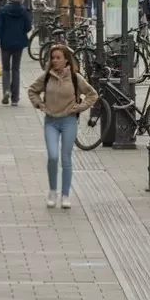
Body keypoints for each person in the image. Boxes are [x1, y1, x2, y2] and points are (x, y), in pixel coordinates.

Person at [27, 45, 97, 209]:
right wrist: (39, 104)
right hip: (51, 121)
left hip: (69, 121)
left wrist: (80, 107)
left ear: (66, 59)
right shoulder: (46, 76)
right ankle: (52, 191)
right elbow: (32, 90)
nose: (55, 61)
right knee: (52, 156)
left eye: (58, 58)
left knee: (66, 157)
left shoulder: (75, 77)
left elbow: (92, 94)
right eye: (53, 58)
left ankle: (65, 195)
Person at [0, 0, 32, 106]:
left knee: (5, 69)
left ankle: (6, 91)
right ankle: (15, 98)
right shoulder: (23, 11)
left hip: (6, 43)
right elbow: (28, 27)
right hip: (19, 43)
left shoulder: (3, 10)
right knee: (16, 69)